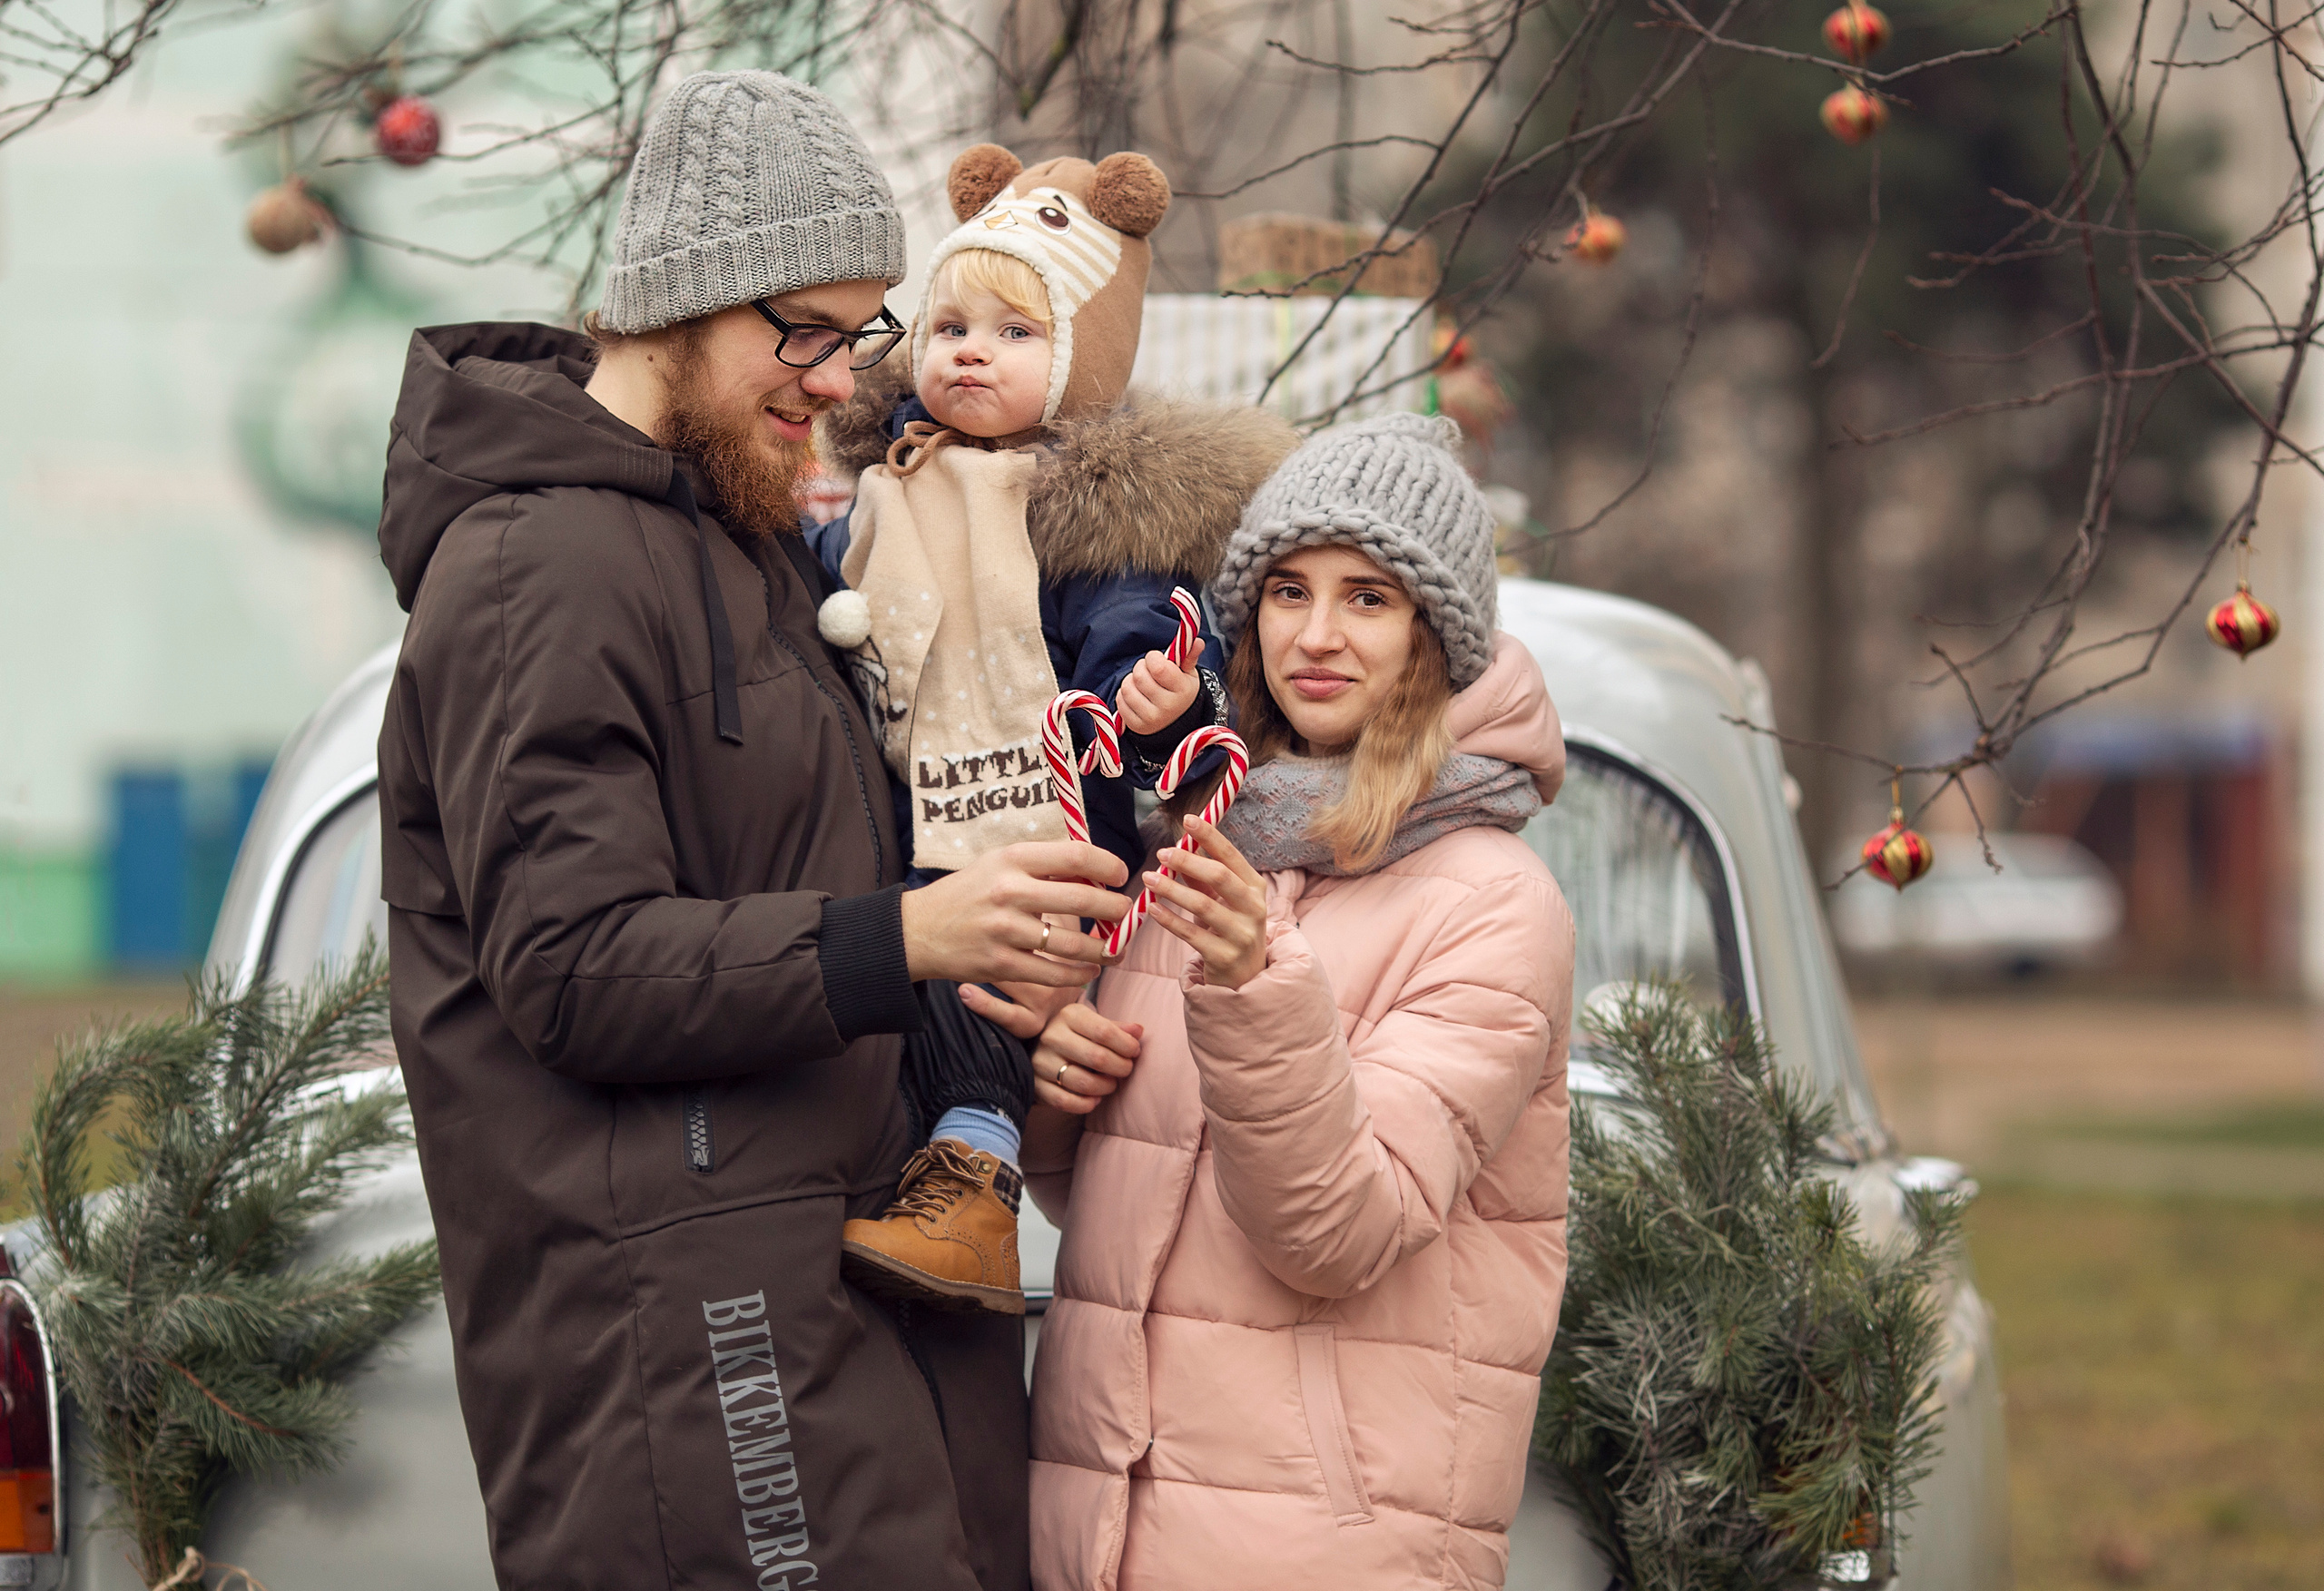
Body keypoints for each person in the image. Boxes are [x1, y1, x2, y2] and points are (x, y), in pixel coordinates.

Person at [375, 71, 1129, 1591]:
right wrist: (909, 935)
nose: (840, 378)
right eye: (804, 331)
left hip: (841, 1316)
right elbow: (574, 965)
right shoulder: (539, 564)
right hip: (692, 1359)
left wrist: (988, 1008)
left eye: (862, 332)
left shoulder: (737, 539)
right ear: (680, 303)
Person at [976, 412, 1575, 1590]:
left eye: (1368, 598)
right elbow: (1135, 1201)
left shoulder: (1495, 902)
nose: (1315, 633)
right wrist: (1060, 1097)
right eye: (1288, 590)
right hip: (1109, 1522)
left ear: (1436, 634)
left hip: (1325, 1544)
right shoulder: (1202, 837)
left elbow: (1334, 1231)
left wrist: (1256, 984)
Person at [805, 142, 1295, 1315]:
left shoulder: (1078, 513)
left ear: (1078, 365)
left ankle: (974, 1183)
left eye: (1016, 333)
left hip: (1037, 824)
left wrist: (1158, 692)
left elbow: (1144, 624)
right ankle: (936, 1170)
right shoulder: (894, 481)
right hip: (918, 813)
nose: (970, 348)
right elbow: (826, 575)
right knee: (917, 967)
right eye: (951, 323)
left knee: (981, 983)